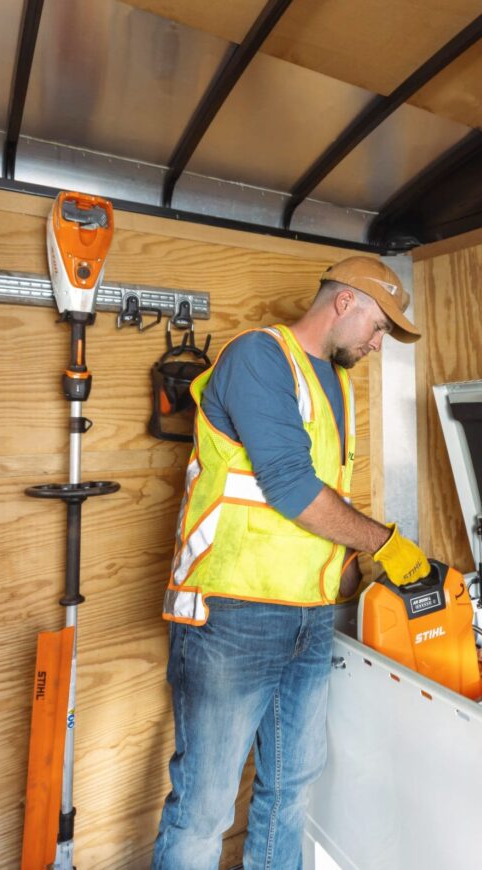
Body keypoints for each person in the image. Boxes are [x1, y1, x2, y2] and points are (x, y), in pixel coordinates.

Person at [151, 256, 429, 870]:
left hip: (310, 616)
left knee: (291, 790)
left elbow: (322, 507)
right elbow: (290, 487)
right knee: (204, 810)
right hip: (232, 616)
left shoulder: (337, 383)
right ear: (345, 302)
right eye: (379, 327)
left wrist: (350, 572)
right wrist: (382, 543)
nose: (378, 344)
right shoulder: (259, 357)